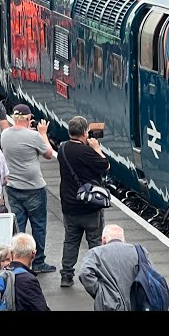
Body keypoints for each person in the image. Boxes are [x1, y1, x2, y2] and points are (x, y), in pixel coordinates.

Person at [0, 104, 56, 274]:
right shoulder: (34, 136)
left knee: (19, 225)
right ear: (29, 118)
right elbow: (48, 154)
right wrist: (43, 134)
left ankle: (17, 261)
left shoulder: (5, 134)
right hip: (34, 188)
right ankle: (38, 262)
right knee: (38, 225)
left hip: (13, 187)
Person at [57, 115, 110, 287]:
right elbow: (105, 166)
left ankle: (66, 275)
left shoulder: (63, 148)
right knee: (94, 241)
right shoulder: (87, 151)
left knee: (70, 241)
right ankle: (97, 273)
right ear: (85, 133)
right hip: (89, 206)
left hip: (69, 205)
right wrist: (96, 148)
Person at [78, 224, 151, 311]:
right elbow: (150, 274)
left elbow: (84, 273)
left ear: (104, 239)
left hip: (109, 304)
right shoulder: (140, 251)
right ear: (123, 239)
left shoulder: (95, 253)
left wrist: (100, 291)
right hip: (137, 303)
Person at [6, 232, 51, 311]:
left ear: (12, 253)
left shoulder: (2, 272)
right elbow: (41, 308)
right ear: (33, 254)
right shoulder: (27, 280)